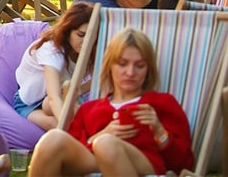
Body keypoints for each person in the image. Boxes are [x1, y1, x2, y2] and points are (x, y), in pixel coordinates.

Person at [28, 28, 194, 176]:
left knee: (106, 144)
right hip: (93, 164)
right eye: (122, 64)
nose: (130, 72)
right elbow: (74, 147)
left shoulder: (161, 103)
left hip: (145, 165)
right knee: (53, 139)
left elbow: (184, 163)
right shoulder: (90, 110)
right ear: (109, 66)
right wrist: (102, 135)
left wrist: (159, 131)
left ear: (148, 69)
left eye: (139, 66)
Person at [14, 2, 94, 130]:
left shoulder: (92, 49)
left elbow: (101, 78)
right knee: (60, 125)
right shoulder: (51, 50)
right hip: (31, 101)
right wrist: (69, 125)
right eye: (81, 35)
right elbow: (53, 97)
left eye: (92, 35)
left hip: (61, 96)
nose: (86, 41)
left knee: (66, 104)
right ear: (68, 31)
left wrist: (80, 90)